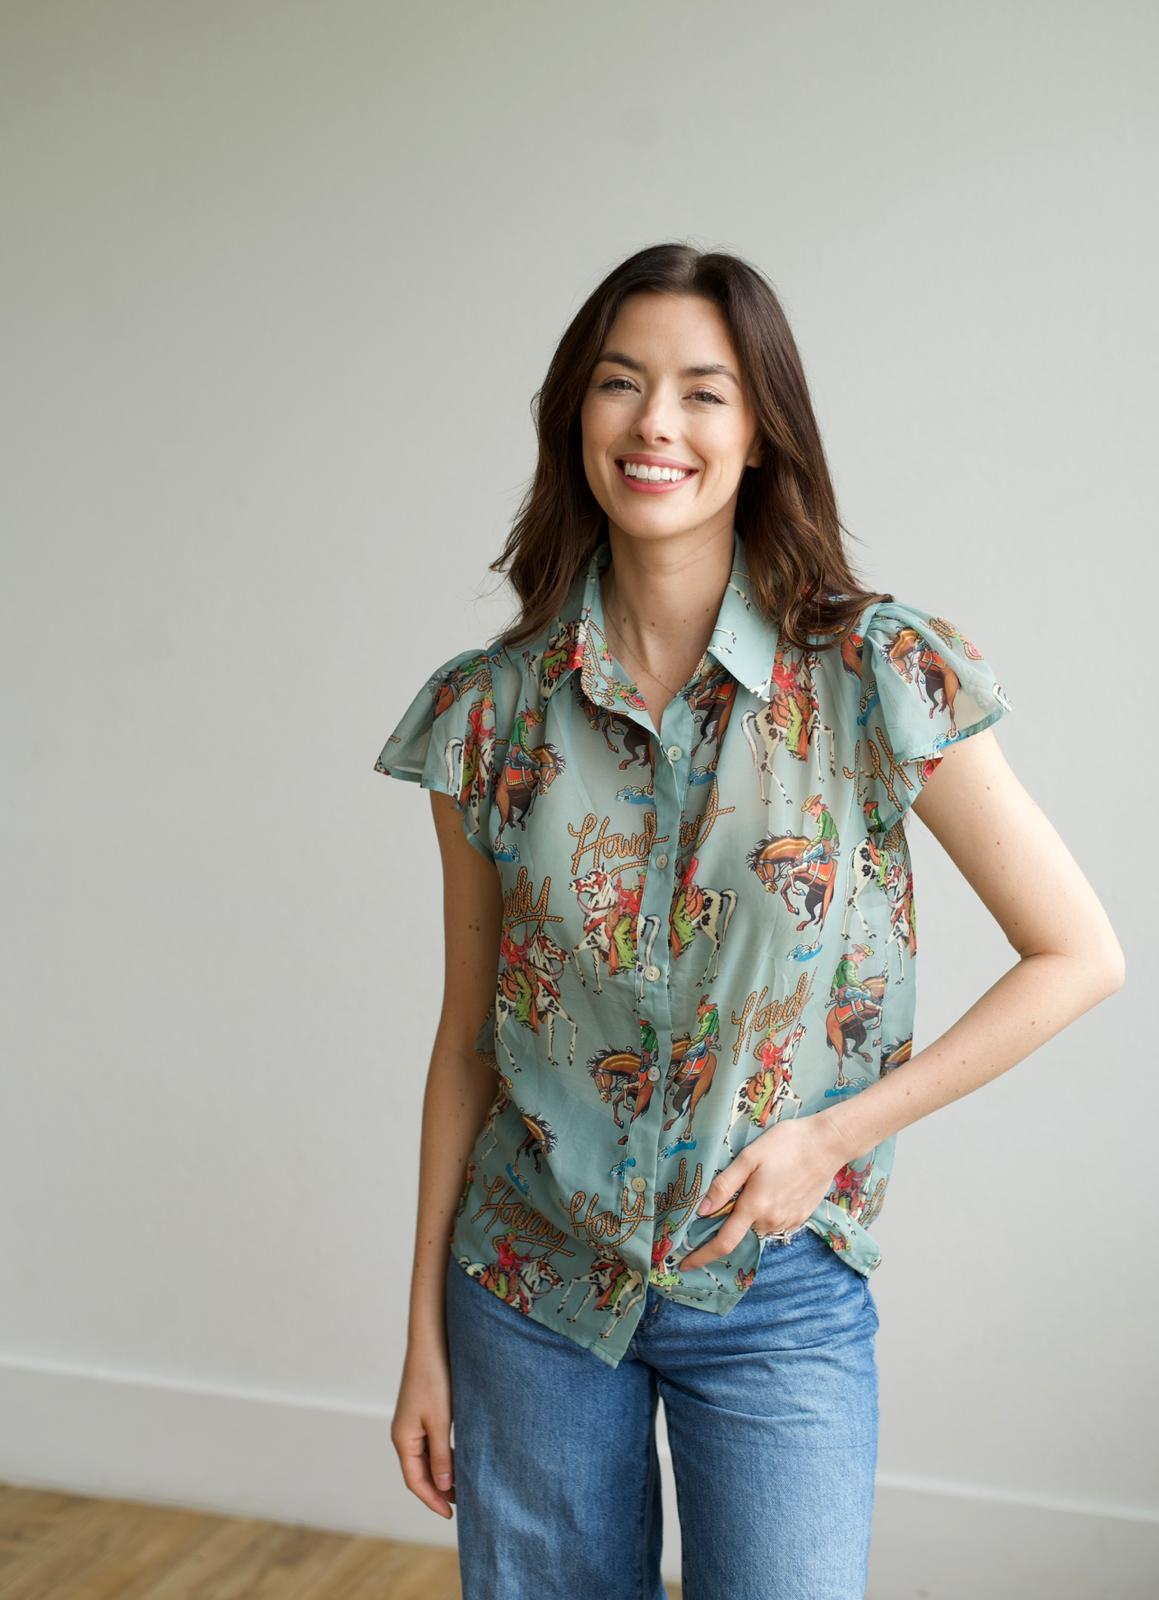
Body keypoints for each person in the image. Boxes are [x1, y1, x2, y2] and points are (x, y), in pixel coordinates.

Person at [373, 243, 1124, 1600]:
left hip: (775, 1291)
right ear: (577, 416)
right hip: (531, 1291)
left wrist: (831, 1139)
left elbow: (1080, 955)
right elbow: (469, 1041)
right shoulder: (491, 713)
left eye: (703, 392)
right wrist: (423, 1334)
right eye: (620, 384)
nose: (655, 423)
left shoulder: (874, 676)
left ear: (762, 429)